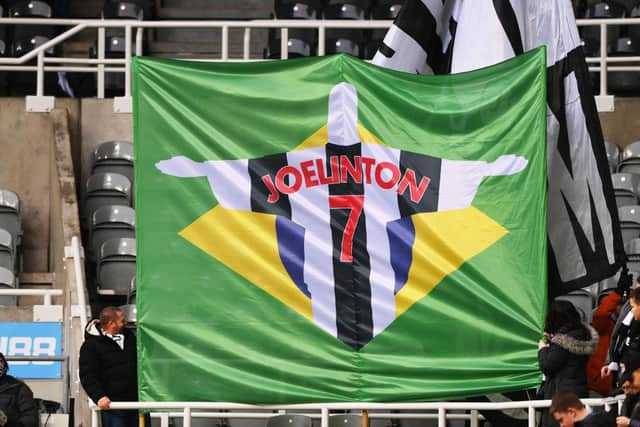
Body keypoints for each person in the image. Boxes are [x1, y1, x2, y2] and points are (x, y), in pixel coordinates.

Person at [538, 300, 599, 426]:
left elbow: (547, 366)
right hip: (577, 392)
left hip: (561, 396)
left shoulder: (562, 341)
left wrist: (543, 349)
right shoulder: (581, 334)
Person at [79, 306, 140, 427]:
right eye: (122, 320)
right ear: (111, 323)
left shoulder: (131, 338)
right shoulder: (91, 345)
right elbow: (87, 374)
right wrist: (99, 397)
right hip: (113, 407)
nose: (126, 323)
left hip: (137, 404)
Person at [588, 268, 633, 395]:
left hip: (627, 385)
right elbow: (600, 316)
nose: (623, 306)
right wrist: (618, 293)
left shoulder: (634, 323)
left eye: (627, 304)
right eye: (620, 303)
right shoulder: (605, 324)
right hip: (601, 386)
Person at [603, 287, 640, 388]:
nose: (631, 311)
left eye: (633, 306)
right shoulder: (632, 327)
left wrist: (628, 379)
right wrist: (614, 363)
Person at [0, 352, 39, 427]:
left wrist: (7, 423)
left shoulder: (18, 387)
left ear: (5, 365)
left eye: (0, 361)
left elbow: (31, 419)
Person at [550, 391, 615, 426]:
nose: (561, 426)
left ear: (571, 412)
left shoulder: (592, 423)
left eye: (561, 420)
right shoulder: (602, 418)